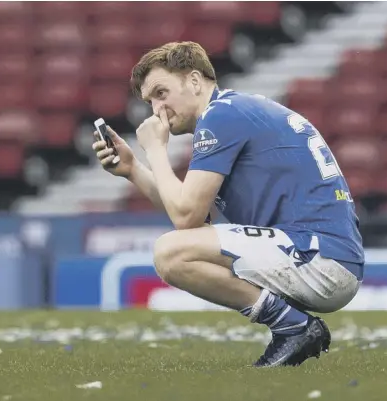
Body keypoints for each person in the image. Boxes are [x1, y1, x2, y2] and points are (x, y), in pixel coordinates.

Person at [92, 41, 365, 368]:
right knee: (177, 251)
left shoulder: (220, 116)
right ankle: (292, 325)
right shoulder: (231, 112)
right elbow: (194, 221)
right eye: (150, 101)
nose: (156, 111)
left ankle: (293, 326)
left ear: (194, 81)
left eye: (161, 93)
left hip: (319, 257)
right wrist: (134, 170)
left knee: (170, 252)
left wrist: (155, 150)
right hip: (323, 253)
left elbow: (186, 217)